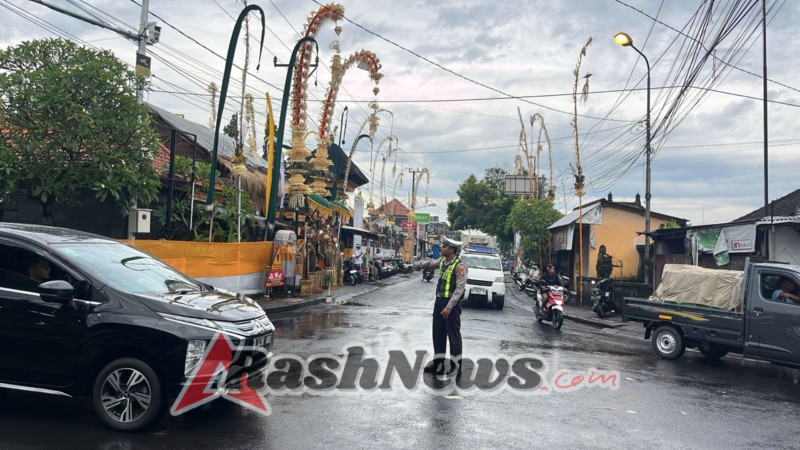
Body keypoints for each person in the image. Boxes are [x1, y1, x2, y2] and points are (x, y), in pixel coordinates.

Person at [413, 237, 468, 376]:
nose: (441, 248)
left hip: (452, 305)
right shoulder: (443, 261)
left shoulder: (460, 266)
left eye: (444, 247)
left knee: (453, 336)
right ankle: (439, 363)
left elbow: (459, 289)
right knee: (438, 334)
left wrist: (449, 307)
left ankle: (456, 366)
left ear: (451, 250)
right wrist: (416, 265)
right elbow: (430, 263)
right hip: (439, 302)